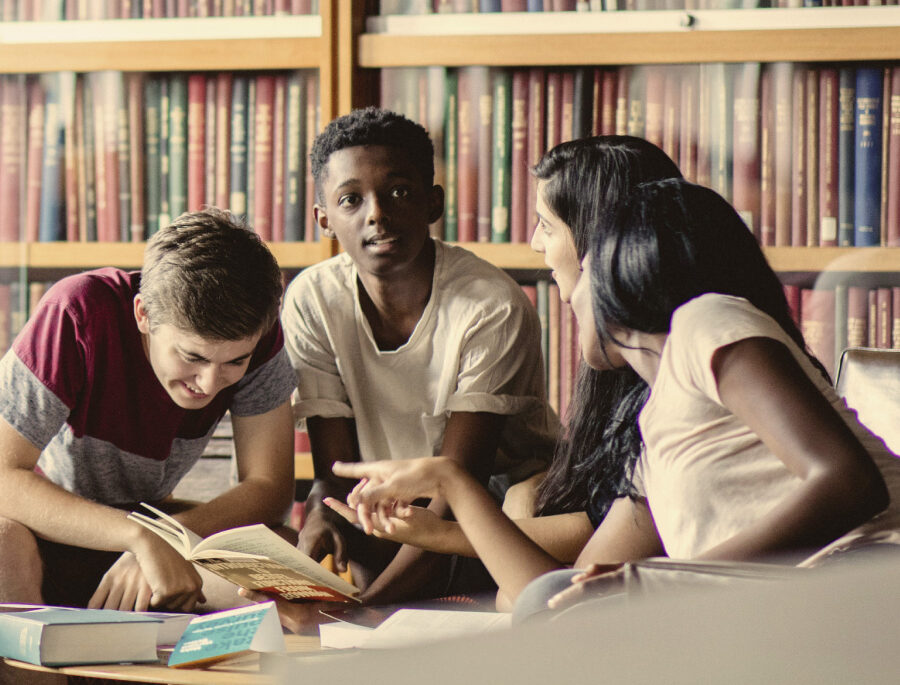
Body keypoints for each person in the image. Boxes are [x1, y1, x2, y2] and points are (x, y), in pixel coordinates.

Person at [331, 179, 900, 618]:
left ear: (614, 273)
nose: (569, 292)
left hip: (864, 586)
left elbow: (848, 483)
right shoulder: (662, 417)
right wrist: (450, 480)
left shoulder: (707, 322)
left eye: (576, 274)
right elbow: (548, 596)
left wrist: (671, 582)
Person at [308, 136, 683, 613]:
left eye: (546, 225)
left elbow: (557, 603)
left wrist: (454, 497)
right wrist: (451, 527)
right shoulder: (631, 379)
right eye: (350, 199)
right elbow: (593, 534)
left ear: (602, 241)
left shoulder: (692, 353)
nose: (534, 243)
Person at [279, 107, 558, 607]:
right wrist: (321, 508)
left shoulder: (488, 304)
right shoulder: (312, 300)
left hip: (497, 513)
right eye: (350, 200)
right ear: (324, 218)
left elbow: (457, 487)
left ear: (433, 203)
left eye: (399, 192)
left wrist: (363, 613)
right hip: (386, 510)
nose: (377, 214)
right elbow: (336, 471)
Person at [0, 208, 296, 614]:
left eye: (234, 362)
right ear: (143, 314)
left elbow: (270, 487)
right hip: (46, 526)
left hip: (157, 522)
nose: (209, 383)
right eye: (192, 356)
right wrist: (140, 537)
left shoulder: (259, 334)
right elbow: (3, 477)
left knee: (281, 560)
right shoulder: (75, 312)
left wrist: (166, 536)